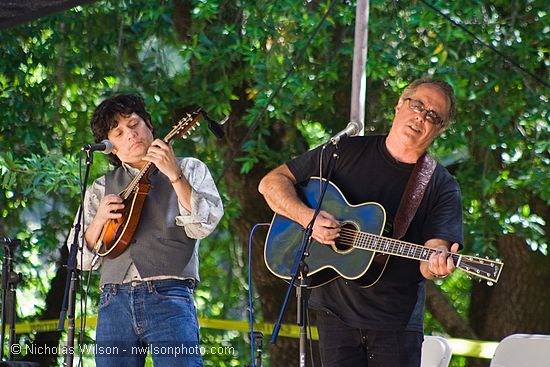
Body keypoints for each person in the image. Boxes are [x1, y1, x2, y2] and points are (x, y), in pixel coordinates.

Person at [258, 78, 462, 367]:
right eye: (417, 105)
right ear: (399, 105)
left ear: (440, 128)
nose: (421, 116)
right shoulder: (344, 151)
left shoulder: (441, 185)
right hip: (334, 314)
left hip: (395, 323)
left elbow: (435, 248)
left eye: (432, 115)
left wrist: (437, 264)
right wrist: (308, 219)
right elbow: (271, 183)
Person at [69, 93, 223, 367]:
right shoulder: (101, 188)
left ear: (149, 125)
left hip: (170, 296)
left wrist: (174, 175)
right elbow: (79, 259)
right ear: (111, 148)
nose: (130, 134)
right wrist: (99, 220)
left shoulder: (189, 168)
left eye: (134, 123)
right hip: (113, 301)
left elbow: (204, 224)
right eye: (118, 132)